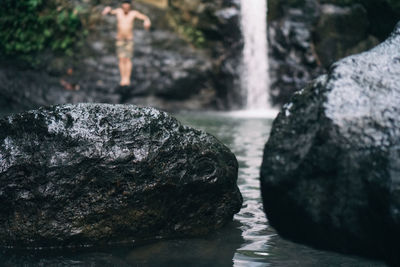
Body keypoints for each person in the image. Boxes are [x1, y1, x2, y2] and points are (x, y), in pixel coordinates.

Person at [102, 0, 151, 86]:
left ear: (130, 5)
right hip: (120, 40)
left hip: (129, 40)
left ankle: (127, 78)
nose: (125, 6)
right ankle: (122, 78)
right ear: (122, 5)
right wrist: (108, 10)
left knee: (127, 59)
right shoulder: (118, 11)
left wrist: (147, 20)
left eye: (127, 4)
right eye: (124, 4)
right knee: (121, 59)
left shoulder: (133, 13)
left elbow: (144, 17)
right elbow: (110, 12)